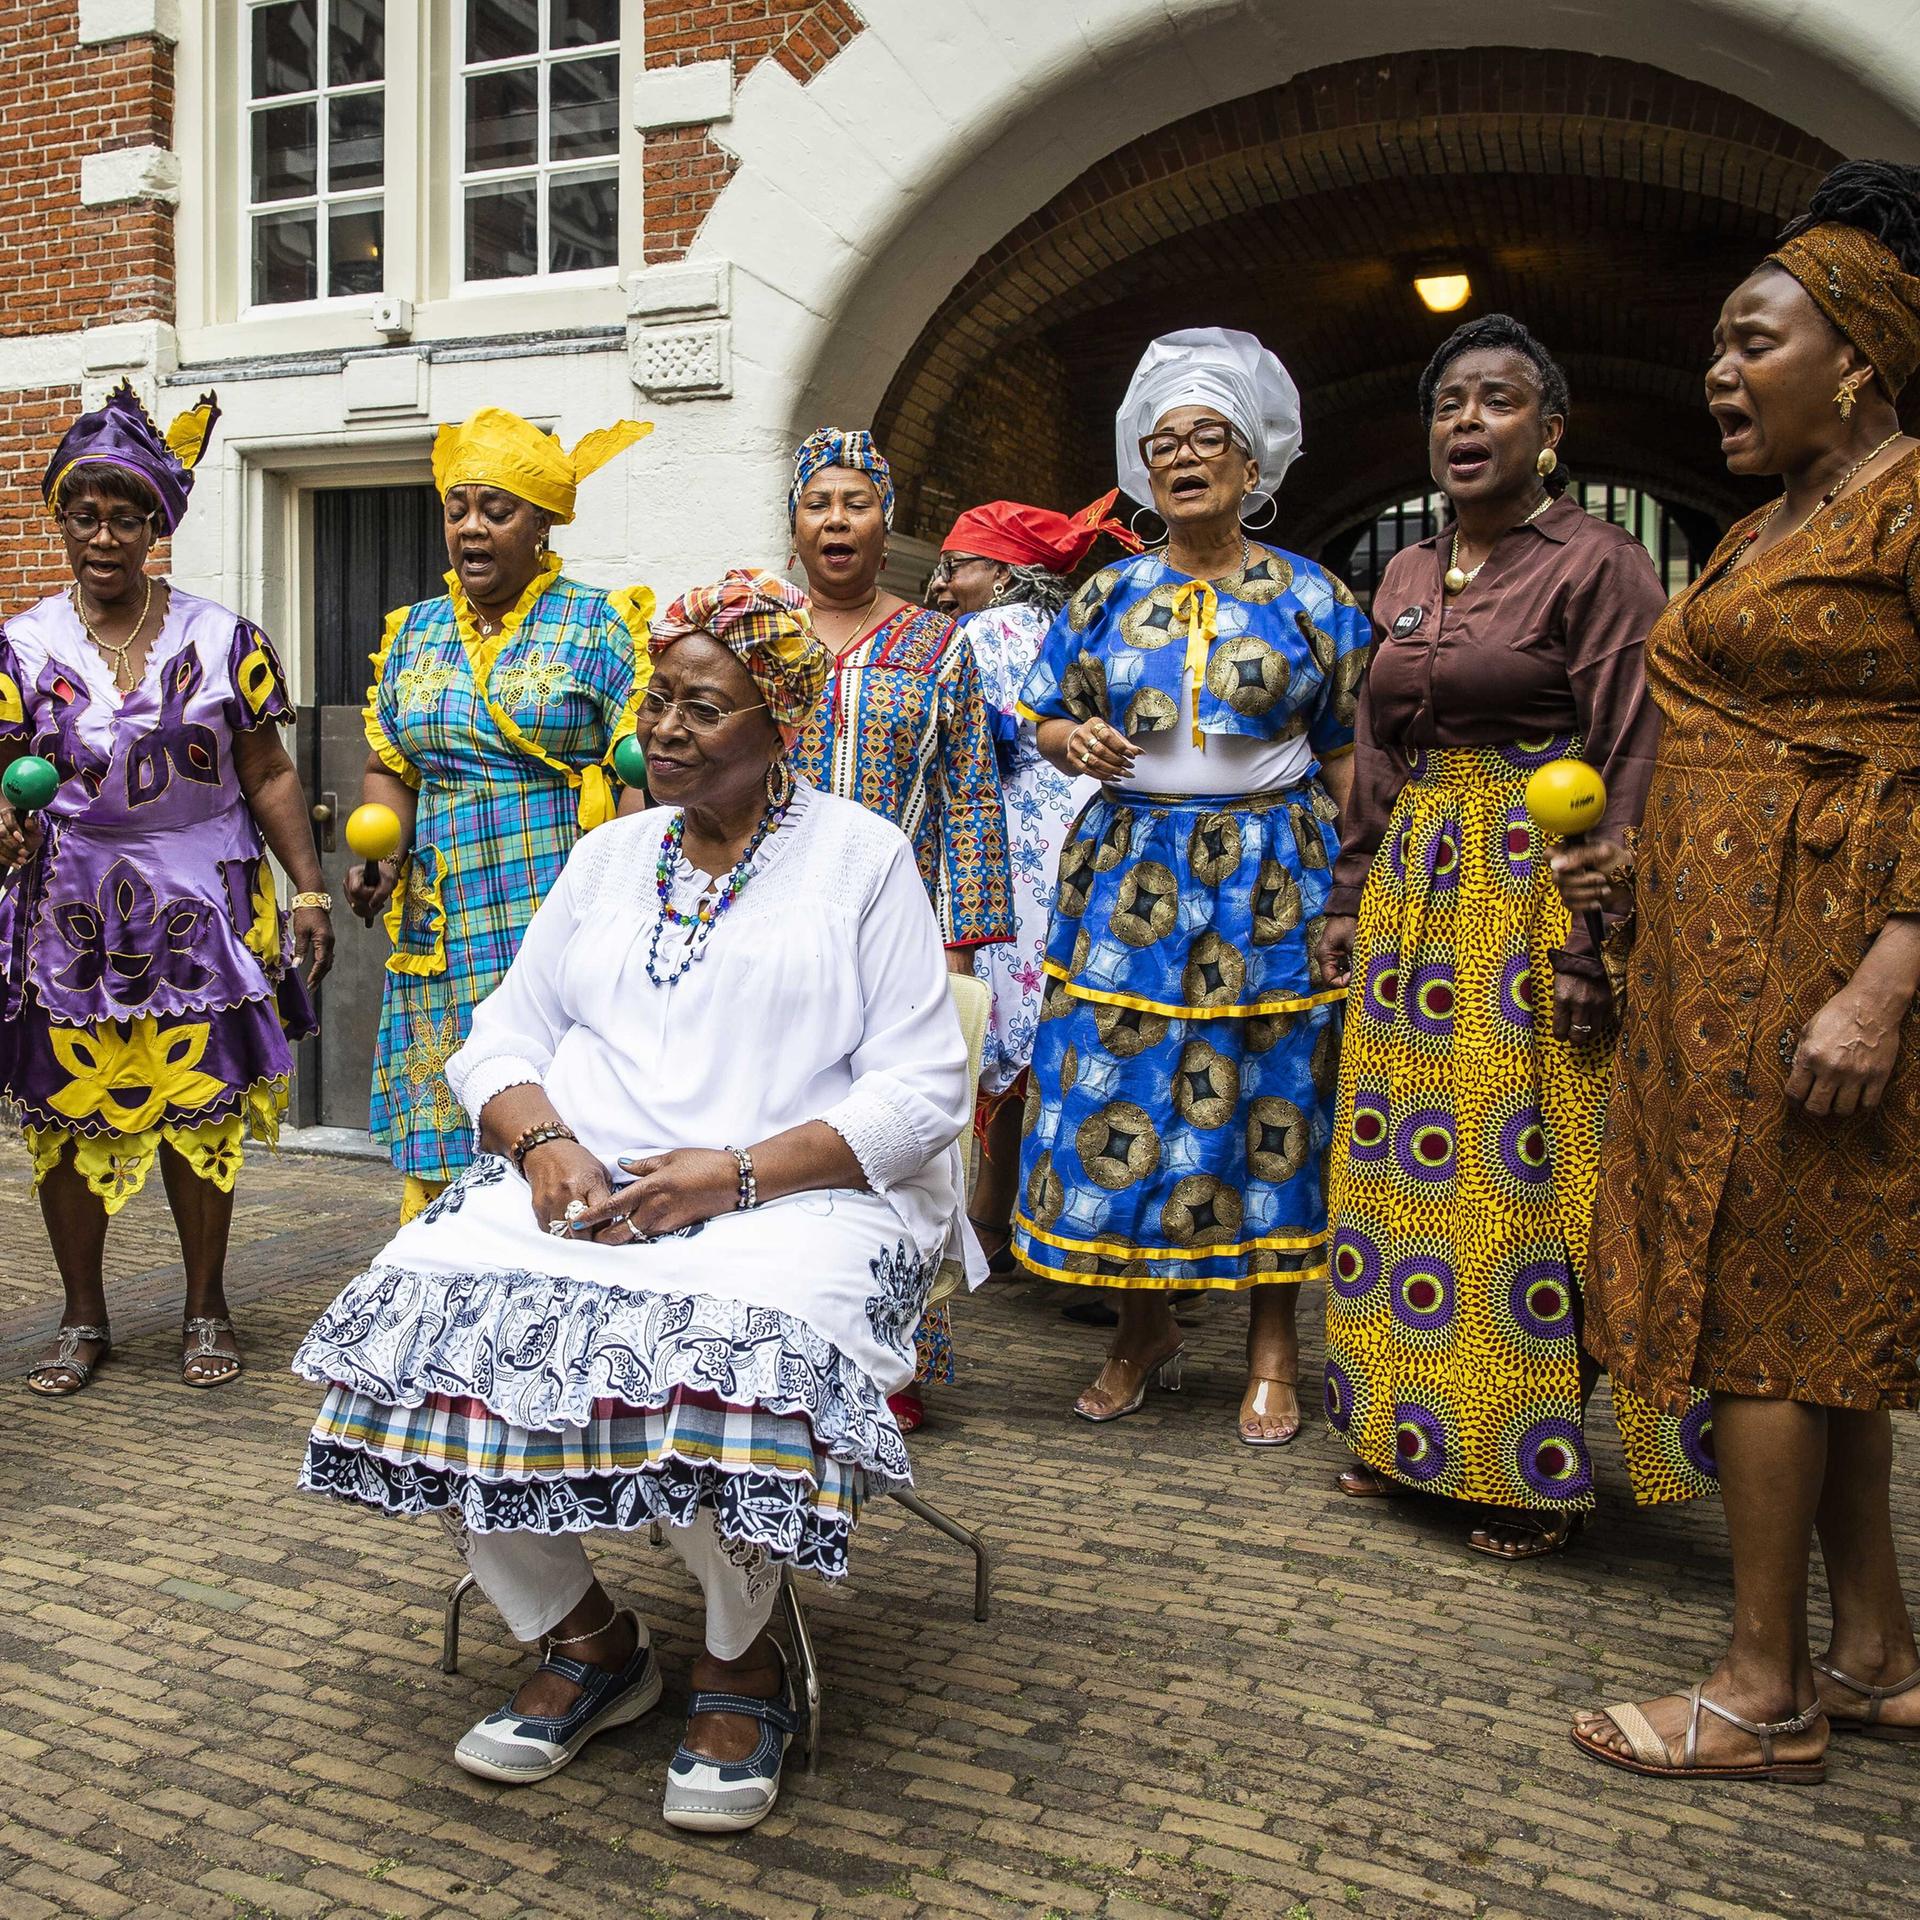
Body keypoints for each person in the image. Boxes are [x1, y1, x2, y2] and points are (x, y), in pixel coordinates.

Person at [295, 570, 973, 1832]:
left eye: (704, 709)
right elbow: (501, 1034)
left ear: (780, 726)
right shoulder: (609, 855)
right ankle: (585, 1639)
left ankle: (740, 1658)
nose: (665, 728)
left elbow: (923, 1091)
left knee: (731, 1365)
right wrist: (543, 1142)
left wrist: (732, 1175)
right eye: (659, 701)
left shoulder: (859, 858)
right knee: (411, 1338)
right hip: (589, 1184)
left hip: (799, 1193)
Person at [1562, 161, 1920, 1780]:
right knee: (1817, 1321)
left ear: (1860, 353)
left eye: (1754, 339)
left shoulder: (1914, 503)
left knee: (1770, 1320)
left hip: (1827, 973)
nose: (1720, 369)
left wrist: (1887, 981)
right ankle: (1875, 1651)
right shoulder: (1777, 525)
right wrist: (1631, 873)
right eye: (1714, 343)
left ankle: (1762, 1692)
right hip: (1717, 972)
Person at [1319, 316, 1714, 1557]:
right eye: (1448, 407)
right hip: (1413, 899)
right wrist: (1346, 892)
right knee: (1401, 1171)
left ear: (1551, 433)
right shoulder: (1404, 575)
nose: (1466, 426)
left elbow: (1634, 749)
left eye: (1496, 404)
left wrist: (1595, 941)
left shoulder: (1599, 564)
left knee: (1529, 1178)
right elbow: (1379, 748)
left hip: (1530, 895)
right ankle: (1402, 1430)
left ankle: (1524, 1461)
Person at [1013, 327, 1373, 1443]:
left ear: (1252, 465)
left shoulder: (1315, 599)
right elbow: (1043, 709)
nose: (1183, 457)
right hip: (1133, 874)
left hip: (1272, 872)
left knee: (1273, 1099)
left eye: (1207, 438)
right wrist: (1073, 740)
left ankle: (1274, 1345)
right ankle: (1143, 1325)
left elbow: (1354, 746)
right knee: (1127, 1093)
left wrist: (1355, 888)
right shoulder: (1106, 594)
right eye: (1163, 441)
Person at [0, 383, 331, 1392]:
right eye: (84, 513)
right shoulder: (18, 647)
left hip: (203, 906)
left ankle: (205, 1307)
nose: (103, 534)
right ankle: (84, 1317)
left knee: (201, 1114)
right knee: (64, 1117)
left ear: (157, 526)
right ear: (61, 521)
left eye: (125, 514)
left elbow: (268, 771)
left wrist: (308, 891)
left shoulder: (223, 640)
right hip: (65, 912)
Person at [348, 407, 654, 1223]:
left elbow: (640, 769)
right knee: (450, 1097)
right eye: (458, 510)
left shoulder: (601, 622)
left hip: (556, 894)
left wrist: (625, 898)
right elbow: (390, 768)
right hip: (442, 914)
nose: (472, 529)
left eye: (497, 510)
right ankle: (445, 1254)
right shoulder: (412, 633)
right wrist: (383, 854)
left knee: (558, 1088)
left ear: (542, 523)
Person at [788, 427, 1015, 1427]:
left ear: (891, 527)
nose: (838, 520)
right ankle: (784, 1340)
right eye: (819, 502)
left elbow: (970, 798)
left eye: (857, 503)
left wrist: (964, 953)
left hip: (900, 938)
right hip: (775, 929)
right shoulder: (761, 631)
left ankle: (895, 1362)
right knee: (781, 1131)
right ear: (796, 522)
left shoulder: (937, 646)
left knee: (902, 1147)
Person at [926, 492, 1136, 1270]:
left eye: (960, 566)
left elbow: (960, 749)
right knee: (1072, 1038)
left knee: (1000, 1038)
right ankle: (1076, 1223)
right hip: (1088, 846)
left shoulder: (982, 636)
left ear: (1007, 573)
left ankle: (991, 1217)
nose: (945, 585)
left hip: (1012, 854)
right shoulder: (1079, 628)